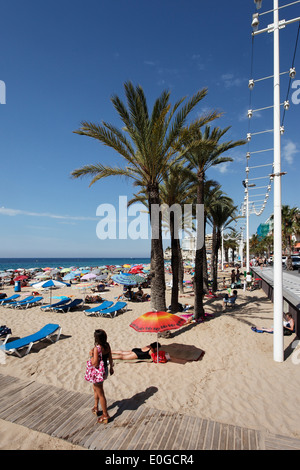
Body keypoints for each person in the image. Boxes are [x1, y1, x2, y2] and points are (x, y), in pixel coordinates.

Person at [85, 329, 114, 424]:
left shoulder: (97, 348)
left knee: (101, 393)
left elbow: (95, 363)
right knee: (95, 388)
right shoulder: (107, 345)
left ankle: (105, 414)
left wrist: (92, 355)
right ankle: (96, 407)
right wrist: (111, 368)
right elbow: (110, 357)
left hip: (98, 373)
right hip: (105, 370)